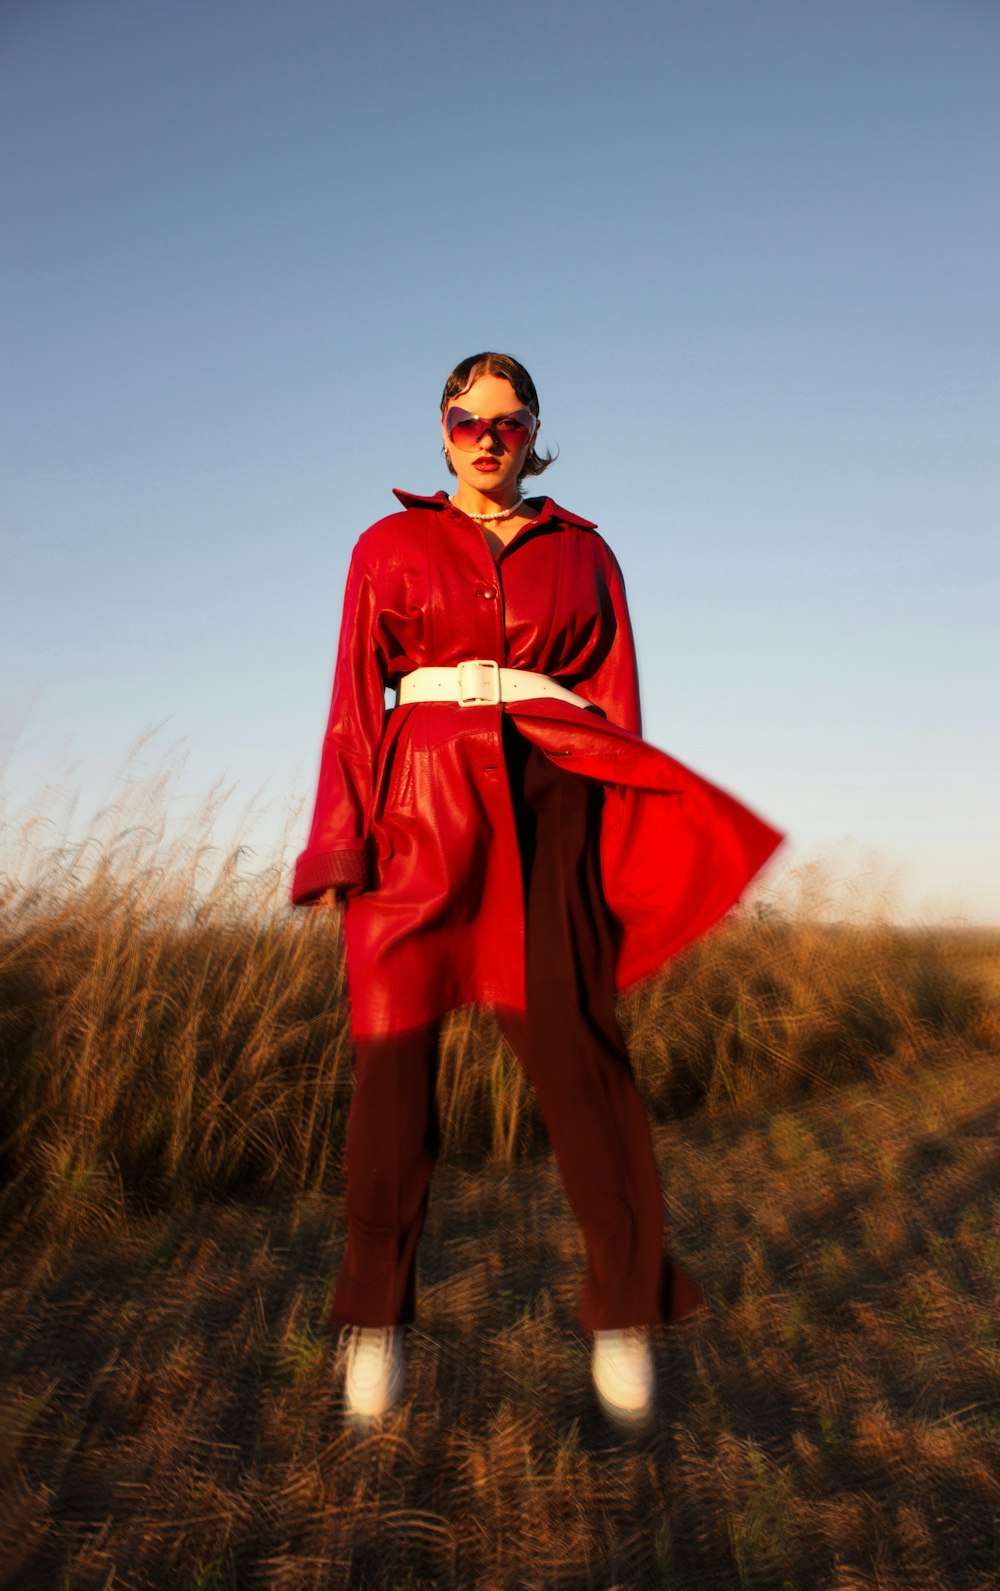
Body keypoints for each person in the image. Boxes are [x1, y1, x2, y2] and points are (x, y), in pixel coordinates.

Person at [291, 351, 782, 1433]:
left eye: (506, 423)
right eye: (466, 418)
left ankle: (622, 1310)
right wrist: (337, 847)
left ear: (535, 433)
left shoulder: (588, 553)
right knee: (390, 1074)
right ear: (439, 428)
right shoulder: (386, 546)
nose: (485, 436)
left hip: (550, 802)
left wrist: (610, 856)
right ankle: (375, 1319)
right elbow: (348, 700)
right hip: (413, 811)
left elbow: (616, 708)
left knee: (582, 1063)